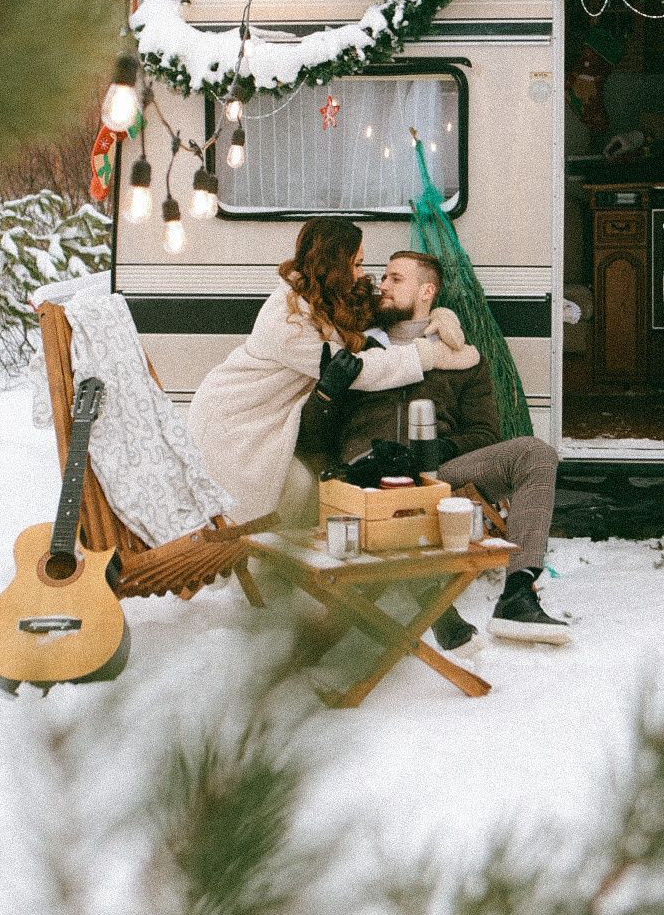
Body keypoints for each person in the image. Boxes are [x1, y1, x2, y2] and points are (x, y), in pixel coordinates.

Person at [309, 249, 568, 649]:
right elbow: (315, 434)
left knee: (536, 453)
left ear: (427, 290)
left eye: (396, 279)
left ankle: (517, 594)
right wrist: (326, 395)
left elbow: (485, 433)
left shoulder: (464, 359)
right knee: (391, 493)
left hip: (438, 473)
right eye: (384, 277)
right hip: (366, 475)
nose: (383, 285)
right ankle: (438, 612)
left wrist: (441, 447)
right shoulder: (356, 346)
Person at [187, 219, 480, 523]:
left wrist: (440, 314)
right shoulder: (286, 320)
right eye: (356, 265)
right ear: (336, 265)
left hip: (265, 419)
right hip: (236, 420)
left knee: (299, 488)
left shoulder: (321, 298)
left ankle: (266, 559)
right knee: (291, 489)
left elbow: (395, 311)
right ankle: (254, 561)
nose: (362, 275)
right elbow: (357, 371)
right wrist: (430, 354)